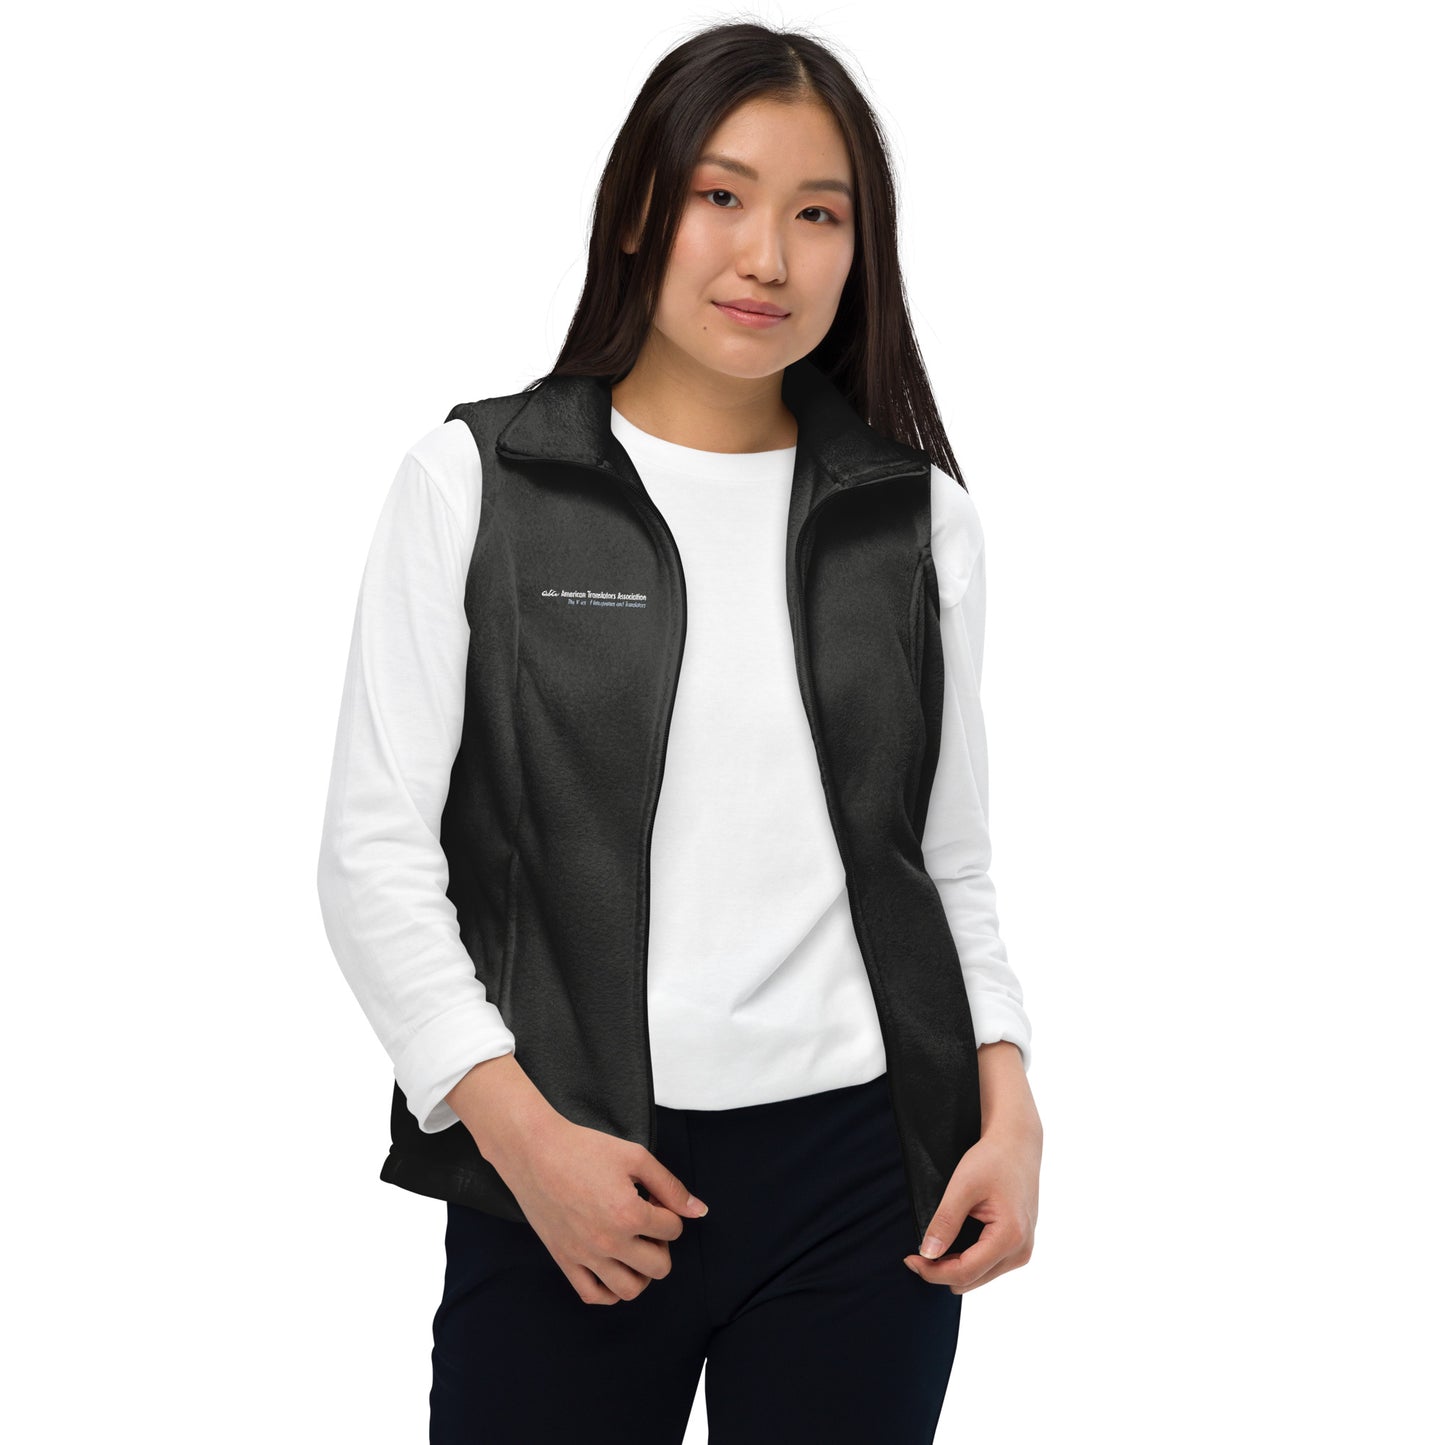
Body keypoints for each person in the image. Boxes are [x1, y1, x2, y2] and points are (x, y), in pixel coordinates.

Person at [317, 18, 1042, 1445]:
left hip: (866, 1181)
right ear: (640, 208)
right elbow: (373, 859)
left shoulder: (917, 521)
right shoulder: (478, 481)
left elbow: (944, 863)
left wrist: (1007, 1104)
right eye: (722, 196)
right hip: (569, 1160)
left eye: (818, 214)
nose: (767, 255)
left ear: (861, 250)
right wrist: (522, 1140)